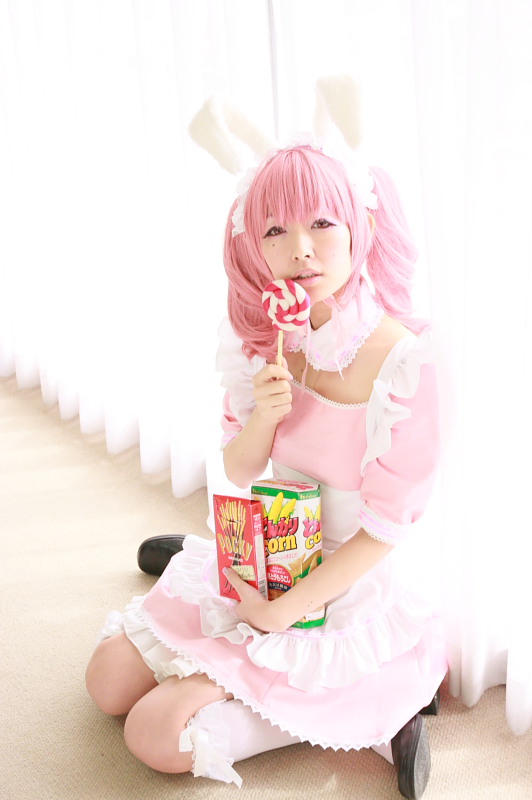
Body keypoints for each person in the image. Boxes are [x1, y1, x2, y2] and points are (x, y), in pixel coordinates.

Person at [86, 142, 447, 800]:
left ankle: (371, 710)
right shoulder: (266, 337)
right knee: (106, 680)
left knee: (156, 733)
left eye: (321, 223)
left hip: (341, 585)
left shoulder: (406, 365)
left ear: (361, 225)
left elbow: (385, 528)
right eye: (275, 230)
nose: (299, 250)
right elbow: (240, 467)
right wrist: (264, 418)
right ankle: (242, 679)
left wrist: (283, 615)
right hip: (268, 546)